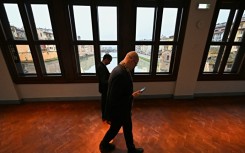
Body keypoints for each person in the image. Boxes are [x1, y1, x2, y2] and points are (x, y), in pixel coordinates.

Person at [99, 51, 144, 153]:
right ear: (131, 60)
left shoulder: (119, 69)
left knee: (124, 128)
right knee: (117, 129)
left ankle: (129, 149)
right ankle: (103, 144)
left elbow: (119, 92)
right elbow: (116, 97)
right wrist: (132, 96)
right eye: (135, 64)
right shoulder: (120, 73)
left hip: (120, 108)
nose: (135, 66)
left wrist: (130, 95)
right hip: (120, 109)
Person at [97, 54, 112, 122]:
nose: (110, 63)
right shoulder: (101, 66)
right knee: (105, 103)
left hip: (104, 88)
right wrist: (111, 81)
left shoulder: (102, 65)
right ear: (106, 59)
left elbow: (107, 75)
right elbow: (103, 81)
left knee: (105, 103)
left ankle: (105, 117)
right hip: (104, 88)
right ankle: (106, 117)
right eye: (109, 61)